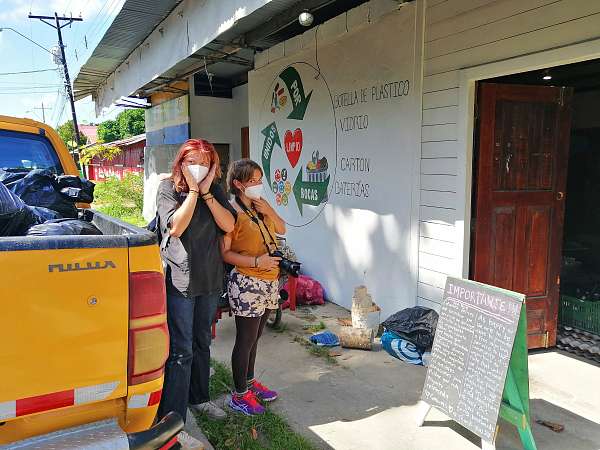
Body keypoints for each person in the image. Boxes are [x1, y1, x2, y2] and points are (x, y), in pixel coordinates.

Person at [156, 139, 236, 423]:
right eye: (193, 162)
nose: (199, 168)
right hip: (181, 280)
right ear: (181, 163)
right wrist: (192, 191)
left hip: (210, 279)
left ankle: (199, 398)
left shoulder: (215, 190)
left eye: (205, 162)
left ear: (213, 166)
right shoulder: (168, 188)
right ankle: (173, 416)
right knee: (181, 349)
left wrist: (207, 193)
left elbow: (229, 225)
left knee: (203, 342)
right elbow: (175, 227)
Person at [221, 159, 286, 415]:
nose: (258, 185)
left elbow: (282, 229)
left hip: (270, 281)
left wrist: (269, 209)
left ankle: (249, 383)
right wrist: (256, 261)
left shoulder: (261, 208)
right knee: (245, 339)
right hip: (247, 281)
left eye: (260, 180)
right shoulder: (231, 212)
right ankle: (238, 395)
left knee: (256, 337)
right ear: (238, 184)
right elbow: (225, 253)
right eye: (252, 181)